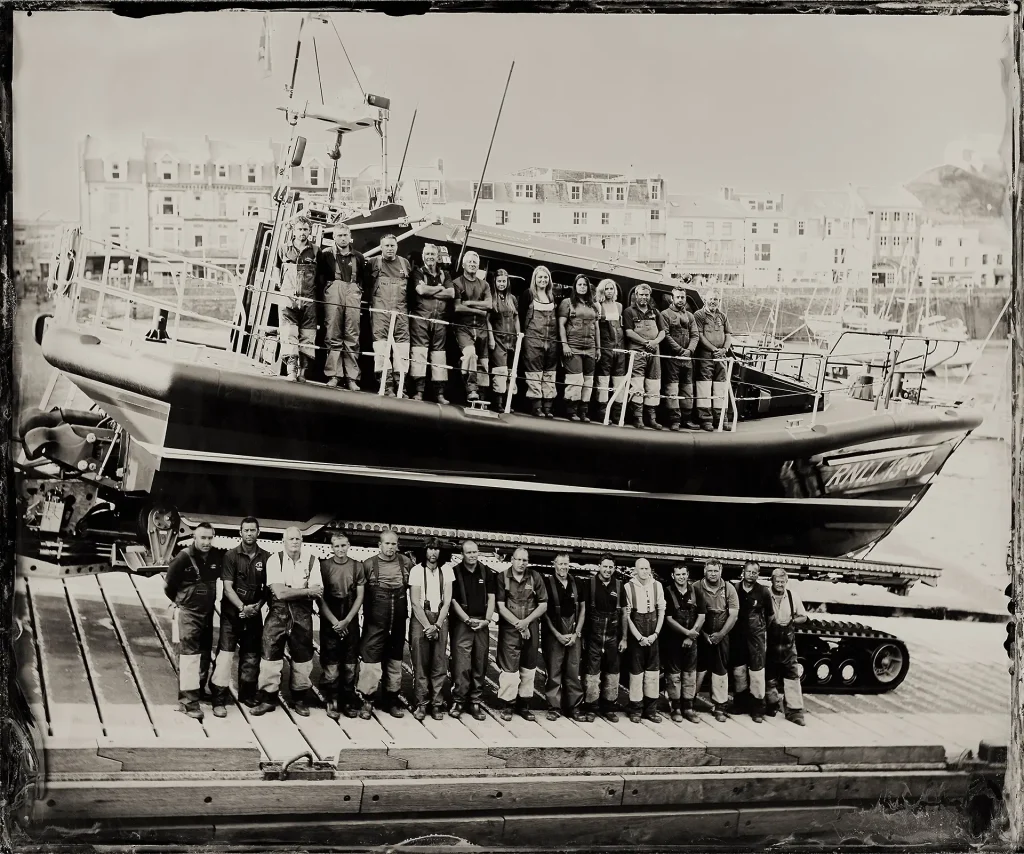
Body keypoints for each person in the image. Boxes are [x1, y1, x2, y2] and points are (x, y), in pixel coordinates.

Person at [251, 527, 323, 717]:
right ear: (283, 541)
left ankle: (299, 699)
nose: (294, 542)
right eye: (291, 539)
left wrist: (291, 591)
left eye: (298, 538)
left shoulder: (312, 560)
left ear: (302, 540)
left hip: (302, 616)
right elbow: (280, 592)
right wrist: (306, 591)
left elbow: (319, 590)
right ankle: (267, 699)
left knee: (303, 658)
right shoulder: (275, 560)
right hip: (278, 614)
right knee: (270, 655)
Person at [210, 517, 270, 717]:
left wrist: (256, 608)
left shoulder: (267, 558)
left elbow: (267, 591)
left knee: (251, 658)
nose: (249, 534)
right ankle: (219, 699)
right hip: (232, 614)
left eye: (253, 530)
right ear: (240, 533)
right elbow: (227, 588)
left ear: (258, 532)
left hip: (253, 614)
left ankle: (247, 695)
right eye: (246, 530)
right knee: (225, 657)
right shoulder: (230, 556)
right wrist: (242, 607)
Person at [164, 521, 221, 720]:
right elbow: (169, 586)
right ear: (194, 538)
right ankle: (188, 702)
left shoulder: (215, 556)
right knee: (189, 657)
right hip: (189, 613)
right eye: (202, 538)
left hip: (207, 613)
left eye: (209, 538)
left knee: (204, 653)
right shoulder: (183, 557)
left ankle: (197, 690)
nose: (206, 542)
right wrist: (182, 602)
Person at [357, 528, 413, 719]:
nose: (391, 547)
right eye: (387, 543)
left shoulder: (406, 563)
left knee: (395, 661)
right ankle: (367, 700)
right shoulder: (368, 565)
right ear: (379, 545)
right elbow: (359, 594)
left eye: (394, 543)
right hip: (375, 622)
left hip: (397, 621)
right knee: (370, 661)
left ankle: (392, 699)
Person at [495, 547, 548, 721]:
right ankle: (507, 705)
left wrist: (526, 623)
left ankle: (523, 705)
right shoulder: (502, 577)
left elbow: (543, 605)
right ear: (512, 560)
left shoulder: (535, 577)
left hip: (530, 626)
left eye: (524, 560)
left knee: (529, 667)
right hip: (510, 629)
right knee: (510, 670)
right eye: (518, 559)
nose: (521, 563)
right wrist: (519, 625)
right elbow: (501, 607)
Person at [318, 531, 366, 720]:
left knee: (349, 664)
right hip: (331, 617)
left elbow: (360, 596)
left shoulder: (357, 566)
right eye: (336, 546)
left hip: (350, 616)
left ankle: (347, 699)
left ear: (349, 545)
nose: (340, 549)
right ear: (331, 547)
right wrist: (334, 622)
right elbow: (319, 598)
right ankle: (332, 699)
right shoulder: (324, 566)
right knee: (331, 663)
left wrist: (347, 620)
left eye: (343, 545)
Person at [317, 222, 368, 391]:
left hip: (353, 295)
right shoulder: (325, 255)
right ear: (334, 237)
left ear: (350, 236)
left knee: (352, 335)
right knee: (333, 334)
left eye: (345, 235)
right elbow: (320, 278)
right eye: (339, 235)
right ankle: (334, 375)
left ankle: (351, 377)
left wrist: (358, 290)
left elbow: (364, 280)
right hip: (333, 294)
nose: (343, 238)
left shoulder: (359, 257)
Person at [449, 540, 496, 721]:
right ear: (462, 554)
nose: (473, 555)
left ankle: (475, 701)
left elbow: (491, 598)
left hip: (482, 624)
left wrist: (487, 620)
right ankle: (459, 700)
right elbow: (452, 600)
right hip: (463, 623)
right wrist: (466, 619)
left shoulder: (486, 572)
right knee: (462, 665)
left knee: (480, 662)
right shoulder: (455, 572)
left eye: (475, 552)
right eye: (469, 552)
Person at [408, 537, 454, 721]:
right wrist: (428, 627)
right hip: (421, 619)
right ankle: (421, 703)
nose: (433, 552)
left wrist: (438, 625)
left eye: (436, 549)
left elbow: (448, 600)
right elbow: (415, 602)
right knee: (420, 663)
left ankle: (436, 704)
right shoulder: (416, 571)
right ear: (424, 551)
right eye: (430, 548)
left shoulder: (447, 571)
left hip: (440, 619)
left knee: (439, 663)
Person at [581, 554, 627, 722]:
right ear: (599, 566)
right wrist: (584, 636)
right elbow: (584, 612)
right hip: (594, 636)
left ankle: (609, 708)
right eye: (605, 566)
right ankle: (591, 708)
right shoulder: (590, 584)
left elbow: (623, 614)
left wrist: (625, 639)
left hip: (613, 638)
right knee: (592, 674)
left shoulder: (620, 586)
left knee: (612, 673)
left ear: (614, 568)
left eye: (611, 567)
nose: (608, 570)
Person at [542, 554, 587, 721]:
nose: (563, 567)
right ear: (554, 564)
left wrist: (577, 633)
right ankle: (554, 707)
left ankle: (574, 707)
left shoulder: (578, 582)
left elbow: (582, 609)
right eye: (560, 564)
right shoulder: (547, 583)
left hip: (574, 631)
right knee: (554, 670)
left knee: (573, 670)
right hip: (555, 632)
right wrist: (557, 634)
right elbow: (544, 612)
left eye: (566, 564)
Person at [368, 235, 413, 396]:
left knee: (402, 349)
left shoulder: (404, 264)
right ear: (381, 247)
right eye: (386, 245)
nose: (389, 248)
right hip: (381, 312)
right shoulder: (374, 263)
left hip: (401, 312)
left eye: (392, 245)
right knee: (381, 348)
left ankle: (401, 385)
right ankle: (386, 386)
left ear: (397, 246)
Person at [694, 559, 739, 722]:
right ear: (704, 571)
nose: (713, 574)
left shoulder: (729, 588)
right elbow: (692, 613)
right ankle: (689, 702)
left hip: (722, 634)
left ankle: (719, 706)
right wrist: (703, 634)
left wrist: (721, 634)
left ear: (721, 571)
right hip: (700, 633)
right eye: (710, 570)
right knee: (698, 668)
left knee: (720, 669)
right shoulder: (696, 587)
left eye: (716, 571)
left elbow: (733, 615)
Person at [409, 244, 454, 402]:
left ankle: (439, 394)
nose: (429, 257)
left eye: (432, 254)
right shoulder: (417, 272)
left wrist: (430, 289)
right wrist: (439, 288)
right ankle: (419, 392)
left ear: (437, 257)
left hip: (439, 319)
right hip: (421, 318)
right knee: (418, 353)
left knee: (439, 356)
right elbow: (421, 291)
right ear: (423, 256)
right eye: (427, 254)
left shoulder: (445, 274)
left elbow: (451, 293)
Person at [661, 564, 705, 723]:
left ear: (688, 575)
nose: (681, 577)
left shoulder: (696, 591)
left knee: (689, 675)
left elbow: (702, 616)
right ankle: (676, 708)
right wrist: (686, 633)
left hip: (692, 640)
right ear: (673, 576)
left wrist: (691, 635)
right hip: (673, 640)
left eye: (683, 574)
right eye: (678, 574)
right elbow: (668, 619)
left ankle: (689, 708)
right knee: (674, 676)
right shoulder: (667, 591)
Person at [623, 558, 665, 723]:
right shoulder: (628, 587)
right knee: (636, 674)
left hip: (653, 635)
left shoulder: (657, 586)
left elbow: (661, 611)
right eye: (641, 569)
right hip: (637, 636)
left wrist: (655, 634)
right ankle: (635, 709)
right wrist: (639, 637)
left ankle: (651, 710)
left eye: (647, 568)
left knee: (653, 674)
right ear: (635, 570)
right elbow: (627, 616)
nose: (645, 572)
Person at [730, 560, 773, 723]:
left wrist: (759, 630)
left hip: (756, 638)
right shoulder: (734, 588)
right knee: (739, 671)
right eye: (749, 572)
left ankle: (757, 709)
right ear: (743, 572)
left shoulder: (763, 592)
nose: (751, 575)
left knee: (757, 673)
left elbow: (770, 616)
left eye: (755, 572)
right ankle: (740, 704)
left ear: (758, 574)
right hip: (738, 636)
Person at [278, 215, 318, 382]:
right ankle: (291, 371)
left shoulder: (316, 251)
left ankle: (303, 373)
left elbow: (319, 276)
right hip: (288, 298)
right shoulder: (284, 248)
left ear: (310, 231)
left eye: (305, 229)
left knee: (308, 335)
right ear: (294, 231)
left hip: (309, 299)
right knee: (289, 333)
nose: (302, 233)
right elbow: (277, 270)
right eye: (299, 229)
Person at [765, 568, 807, 726]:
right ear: (772, 581)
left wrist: (793, 621)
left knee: (791, 677)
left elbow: (803, 616)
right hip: (770, 642)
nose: (780, 584)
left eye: (783, 582)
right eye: (777, 581)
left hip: (788, 645)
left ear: (786, 582)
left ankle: (794, 711)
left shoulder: (792, 596)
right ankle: (771, 704)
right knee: (769, 677)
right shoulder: (765, 595)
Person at [622, 283, 666, 430]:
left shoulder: (655, 312)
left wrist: (654, 342)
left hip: (654, 351)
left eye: (646, 295)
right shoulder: (629, 311)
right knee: (637, 383)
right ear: (636, 295)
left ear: (649, 296)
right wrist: (646, 342)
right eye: (641, 294)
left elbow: (663, 332)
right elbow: (628, 332)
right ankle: (638, 418)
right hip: (637, 351)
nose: (644, 297)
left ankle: (651, 419)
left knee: (653, 384)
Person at [558, 276, 601, 423]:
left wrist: (598, 348)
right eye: (579, 284)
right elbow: (561, 325)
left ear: (588, 287)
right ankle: (571, 410)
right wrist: (564, 344)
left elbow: (597, 328)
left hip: (590, 348)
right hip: (573, 347)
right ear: (575, 286)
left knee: (588, 381)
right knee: (575, 379)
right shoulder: (567, 303)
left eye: (585, 285)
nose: (582, 287)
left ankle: (583, 411)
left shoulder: (594, 305)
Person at [452, 251, 493, 403]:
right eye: (469, 262)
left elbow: (489, 304)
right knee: (470, 354)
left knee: (483, 363)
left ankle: (481, 396)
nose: (472, 264)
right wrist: (478, 310)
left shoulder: (485, 284)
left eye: (475, 262)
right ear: (463, 264)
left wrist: (468, 303)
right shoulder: (457, 283)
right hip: (464, 327)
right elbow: (457, 308)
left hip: (482, 329)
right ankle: (471, 389)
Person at [519, 266, 559, 418]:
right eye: (540, 277)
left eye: (545, 277)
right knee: (534, 373)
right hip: (533, 339)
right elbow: (522, 316)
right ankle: (536, 406)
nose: (543, 280)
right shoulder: (528, 294)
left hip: (551, 340)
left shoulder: (551, 296)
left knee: (549, 372)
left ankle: (548, 406)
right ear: (534, 279)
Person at [659, 283, 699, 431]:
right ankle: (674, 420)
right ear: (672, 298)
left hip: (687, 359)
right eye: (678, 297)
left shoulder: (690, 316)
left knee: (688, 389)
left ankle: (686, 419)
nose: (681, 300)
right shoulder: (665, 314)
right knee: (672, 388)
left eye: (683, 297)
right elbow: (666, 336)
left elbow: (695, 335)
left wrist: (690, 350)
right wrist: (679, 350)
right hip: (672, 358)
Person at [693, 289, 734, 431]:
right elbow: (699, 335)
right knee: (704, 386)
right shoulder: (699, 315)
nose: (713, 302)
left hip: (721, 356)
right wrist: (713, 349)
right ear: (705, 299)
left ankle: (721, 418)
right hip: (705, 356)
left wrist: (724, 349)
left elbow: (728, 334)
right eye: (711, 299)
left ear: (719, 301)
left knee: (720, 387)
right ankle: (706, 420)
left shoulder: (722, 316)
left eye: (716, 299)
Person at [594, 279, 628, 425]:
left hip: (619, 347)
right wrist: (599, 348)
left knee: (619, 379)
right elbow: (597, 329)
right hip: (605, 346)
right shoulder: (598, 306)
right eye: (606, 289)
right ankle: (602, 412)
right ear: (602, 290)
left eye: (611, 289)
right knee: (603, 379)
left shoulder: (619, 306)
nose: (609, 291)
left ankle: (617, 413)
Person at [488, 268, 520, 412]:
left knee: (510, 372)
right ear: (495, 282)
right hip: (498, 339)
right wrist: (491, 338)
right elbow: (487, 320)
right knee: (500, 371)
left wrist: (519, 335)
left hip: (511, 340)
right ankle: (498, 403)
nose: (502, 284)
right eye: (499, 281)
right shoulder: (491, 298)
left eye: (504, 281)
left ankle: (509, 403)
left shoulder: (512, 299)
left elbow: (516, 317)